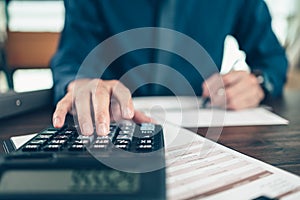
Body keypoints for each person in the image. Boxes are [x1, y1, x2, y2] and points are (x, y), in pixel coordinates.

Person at [51, 0, 288, 136]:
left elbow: (273, 61)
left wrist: (258, 82)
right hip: (113, 125)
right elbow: (71, 60)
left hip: (205, 127)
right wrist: (81, 85)